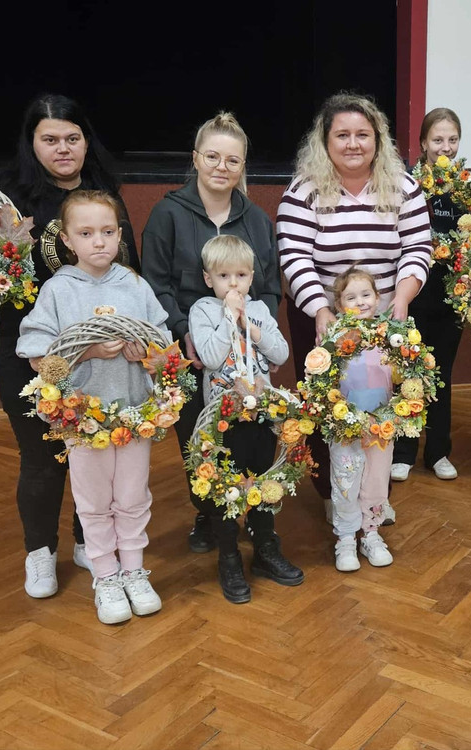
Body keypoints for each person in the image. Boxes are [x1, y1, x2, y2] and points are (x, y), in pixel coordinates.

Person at [0, 94, 138, 599]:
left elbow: (130, 270)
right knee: (42, 457)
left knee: (94, 449)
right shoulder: (5, 202)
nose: (63, 149)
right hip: (27, 354)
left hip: (104, 360)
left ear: (85, 141)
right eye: (49, 140)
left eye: (71, 138)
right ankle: (40, 553)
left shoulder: (103, 194)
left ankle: (86, 540)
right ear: (32, 145)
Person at [276, 92, 433, 519]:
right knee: (331, 409)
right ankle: (334, 495)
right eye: (342, 135)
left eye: (363, 134)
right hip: (321, 318)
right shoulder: (303, 190)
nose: (353, 143)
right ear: (324, 142)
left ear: (377, 139)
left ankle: (373, 498)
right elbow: (293, 255)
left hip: (383, 319)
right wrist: (320, 311)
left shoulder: (402, 185)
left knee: (378, 406)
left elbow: (419, 246)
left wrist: (401, 298)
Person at [16, 191, 165, 625]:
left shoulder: (135, 285)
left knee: (134, 497)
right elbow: (39, 357)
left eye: (107, 231)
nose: (98, 241)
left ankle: (135, 570)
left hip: (135, 413)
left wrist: (147, 355)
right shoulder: (58, 290)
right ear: (67, 239)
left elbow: (162, 348)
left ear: (120, 234)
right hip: (83, 420)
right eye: (86, 233)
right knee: (94, 502)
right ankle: (105, 574)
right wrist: (89, 352)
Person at [140, 112, 282, 554]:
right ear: (196, 159)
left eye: (233, 160)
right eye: (213, 157)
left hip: (245, 353)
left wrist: (258, 341)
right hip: (190, 347)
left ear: (243, 168)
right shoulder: (168, 213)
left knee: (252, 437)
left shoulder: (257, 220)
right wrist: (184, 333)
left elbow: (270, 288)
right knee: (197, 434)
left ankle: (259, 521)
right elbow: (155, 283)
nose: (222, 167)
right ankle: (208, 514)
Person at [187, 235, 303, 603]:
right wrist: (228, 317)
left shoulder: (261, 311)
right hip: (223, 421)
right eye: (224, 276)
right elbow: (209, 355)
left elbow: (281, 353)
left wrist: (251, 327)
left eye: (240, 275)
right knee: (227, 486)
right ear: (209, 279)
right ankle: (229, 557)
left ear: (252, 277)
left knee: (262, 478)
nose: (233, 284)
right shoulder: (203, 310)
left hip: (262, 415)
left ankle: (266, 548)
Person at [391, 107, 464, 483]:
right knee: (407, 373)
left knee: (442, 377)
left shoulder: (468, 190)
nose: (445, 147)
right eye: (437, 140)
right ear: (422, 143)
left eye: (452, 140)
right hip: (411, 296)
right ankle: (403, 450)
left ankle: (438, 452)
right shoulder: (405, 185)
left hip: (452, 298)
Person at [326, 268, 396, 572]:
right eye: (351, 297)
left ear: (378, 298)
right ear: (340, 305)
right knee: (345, 481)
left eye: (366, 295)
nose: (361, 302)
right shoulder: (334, 340)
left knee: (376, 481)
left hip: (382, 427)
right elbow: (322, 383)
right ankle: (345, 539)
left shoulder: (391, 337)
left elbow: (405, 378)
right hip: (345, 429)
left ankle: (370, 532)